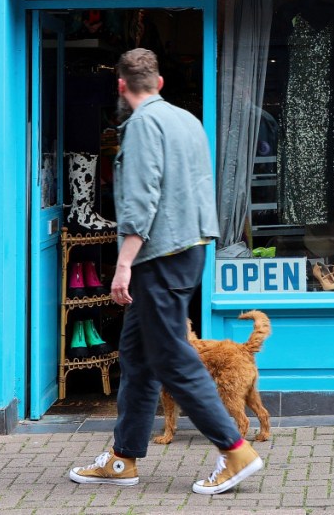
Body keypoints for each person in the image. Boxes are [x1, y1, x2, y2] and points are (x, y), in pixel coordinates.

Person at [69, 48, 263, 494]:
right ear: (158, 83)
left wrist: (122, 267)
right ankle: (123, 458)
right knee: (138, 357)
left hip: (159, 256)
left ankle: (235, 452)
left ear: (122, 86)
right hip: (189, 251)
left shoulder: (139, 127)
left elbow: (141, 202)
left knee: (173, 357)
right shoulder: (187, 120)